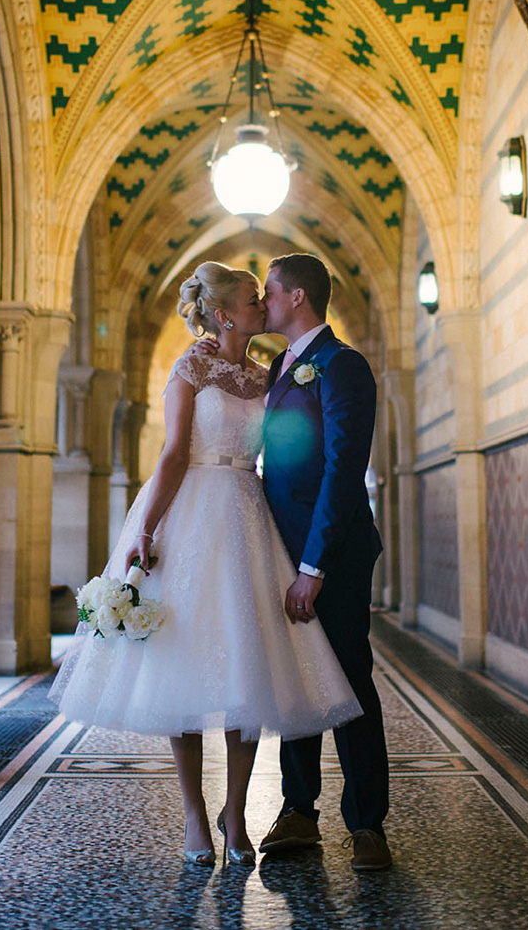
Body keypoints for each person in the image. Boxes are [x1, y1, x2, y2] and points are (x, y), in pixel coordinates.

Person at [49, 261, 362, 868]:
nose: (261, 307)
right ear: (224, 314)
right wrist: (144, 530)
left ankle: (236, 814)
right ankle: (196, 814)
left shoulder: (268, 373)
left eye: (262, 296)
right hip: (190, 512)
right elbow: (170, 455)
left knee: (248, 667)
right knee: (183, 667)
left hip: (248, 515)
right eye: (251, 299)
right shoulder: (191, 366)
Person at [199, 253, 391, 871]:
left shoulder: (342, 366)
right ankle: (298, 812)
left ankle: (366, 824)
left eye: (271, 294)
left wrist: (313, 567)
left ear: (299, 297)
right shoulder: (280, 365)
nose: (264, 305)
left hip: (329, 551)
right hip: (275, 546)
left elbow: (343, 470)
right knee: (294, 678)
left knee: (350, 679)